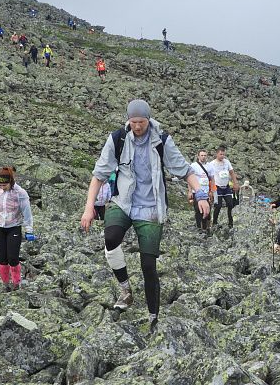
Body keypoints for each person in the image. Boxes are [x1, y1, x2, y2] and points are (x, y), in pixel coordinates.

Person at [80, 100, 209, 333]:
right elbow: (98, 175)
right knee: (111, 237)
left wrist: (200, 195)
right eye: (133, 122)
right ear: (128, 120)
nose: (137, 126)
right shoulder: (118, 139)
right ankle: (125, 288)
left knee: (148, 265)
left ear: (148, 120)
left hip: (150, 207)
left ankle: (153, 317)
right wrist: (89, 208)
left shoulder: (162, 140)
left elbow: (185, 170)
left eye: (141, 122)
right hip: (124, 202)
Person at [208, 146, 239, 228]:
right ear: (217, 154)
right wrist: (210, 190)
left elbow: (232, 173)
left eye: (223, 154)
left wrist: (235, 183)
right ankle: (214, 222)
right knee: (218, 205)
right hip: (217, 187)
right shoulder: (212, 164)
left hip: (226, 186)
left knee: (230, 204)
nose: (222, 156)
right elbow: (209, 177)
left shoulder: (227, 162)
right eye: (221, 154)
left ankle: (230, 222)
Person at [188, 149, 214, 231]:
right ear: (198, 156)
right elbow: (189, 178)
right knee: (198, 210)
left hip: (206, 192)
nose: (203, 157)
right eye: (202, 155)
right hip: (196, 191)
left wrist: (211, 191)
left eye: (205, 155)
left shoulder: (210, 166)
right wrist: (189, 191)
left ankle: (206, 227)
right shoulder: (193, 166)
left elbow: (212, 179)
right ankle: (199, 228)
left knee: (207, 211)